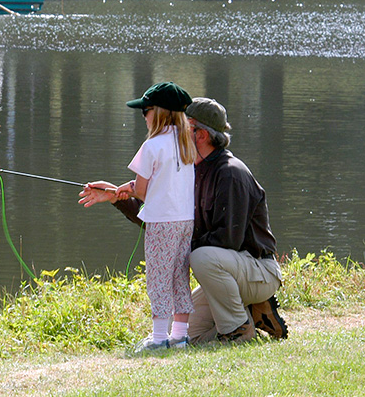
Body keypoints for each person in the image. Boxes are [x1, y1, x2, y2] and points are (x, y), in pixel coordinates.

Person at [79, 96, 287, 345]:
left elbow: (227, 240)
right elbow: (163, 222)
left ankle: (236, 330)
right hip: (227, 270)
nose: (175, 133)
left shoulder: (231, 173)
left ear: (201, 135)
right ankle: (252, 315)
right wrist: (115, 197)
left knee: (201, 257)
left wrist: (175, 247)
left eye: (183, 127)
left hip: (258, 271)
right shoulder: (189, 170)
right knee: (189, 336)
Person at [107, 82, 197, 352]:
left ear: (157, 113)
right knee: (179, 277)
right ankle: (179, 336)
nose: (143, 116)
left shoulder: (152, 146)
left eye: (144, 111)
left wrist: (128, 188)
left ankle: (158, 339)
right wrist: (131, 187)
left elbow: (143, 190)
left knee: (158, 277)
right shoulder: (187, 144)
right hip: (185, 221)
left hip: (161, 222)